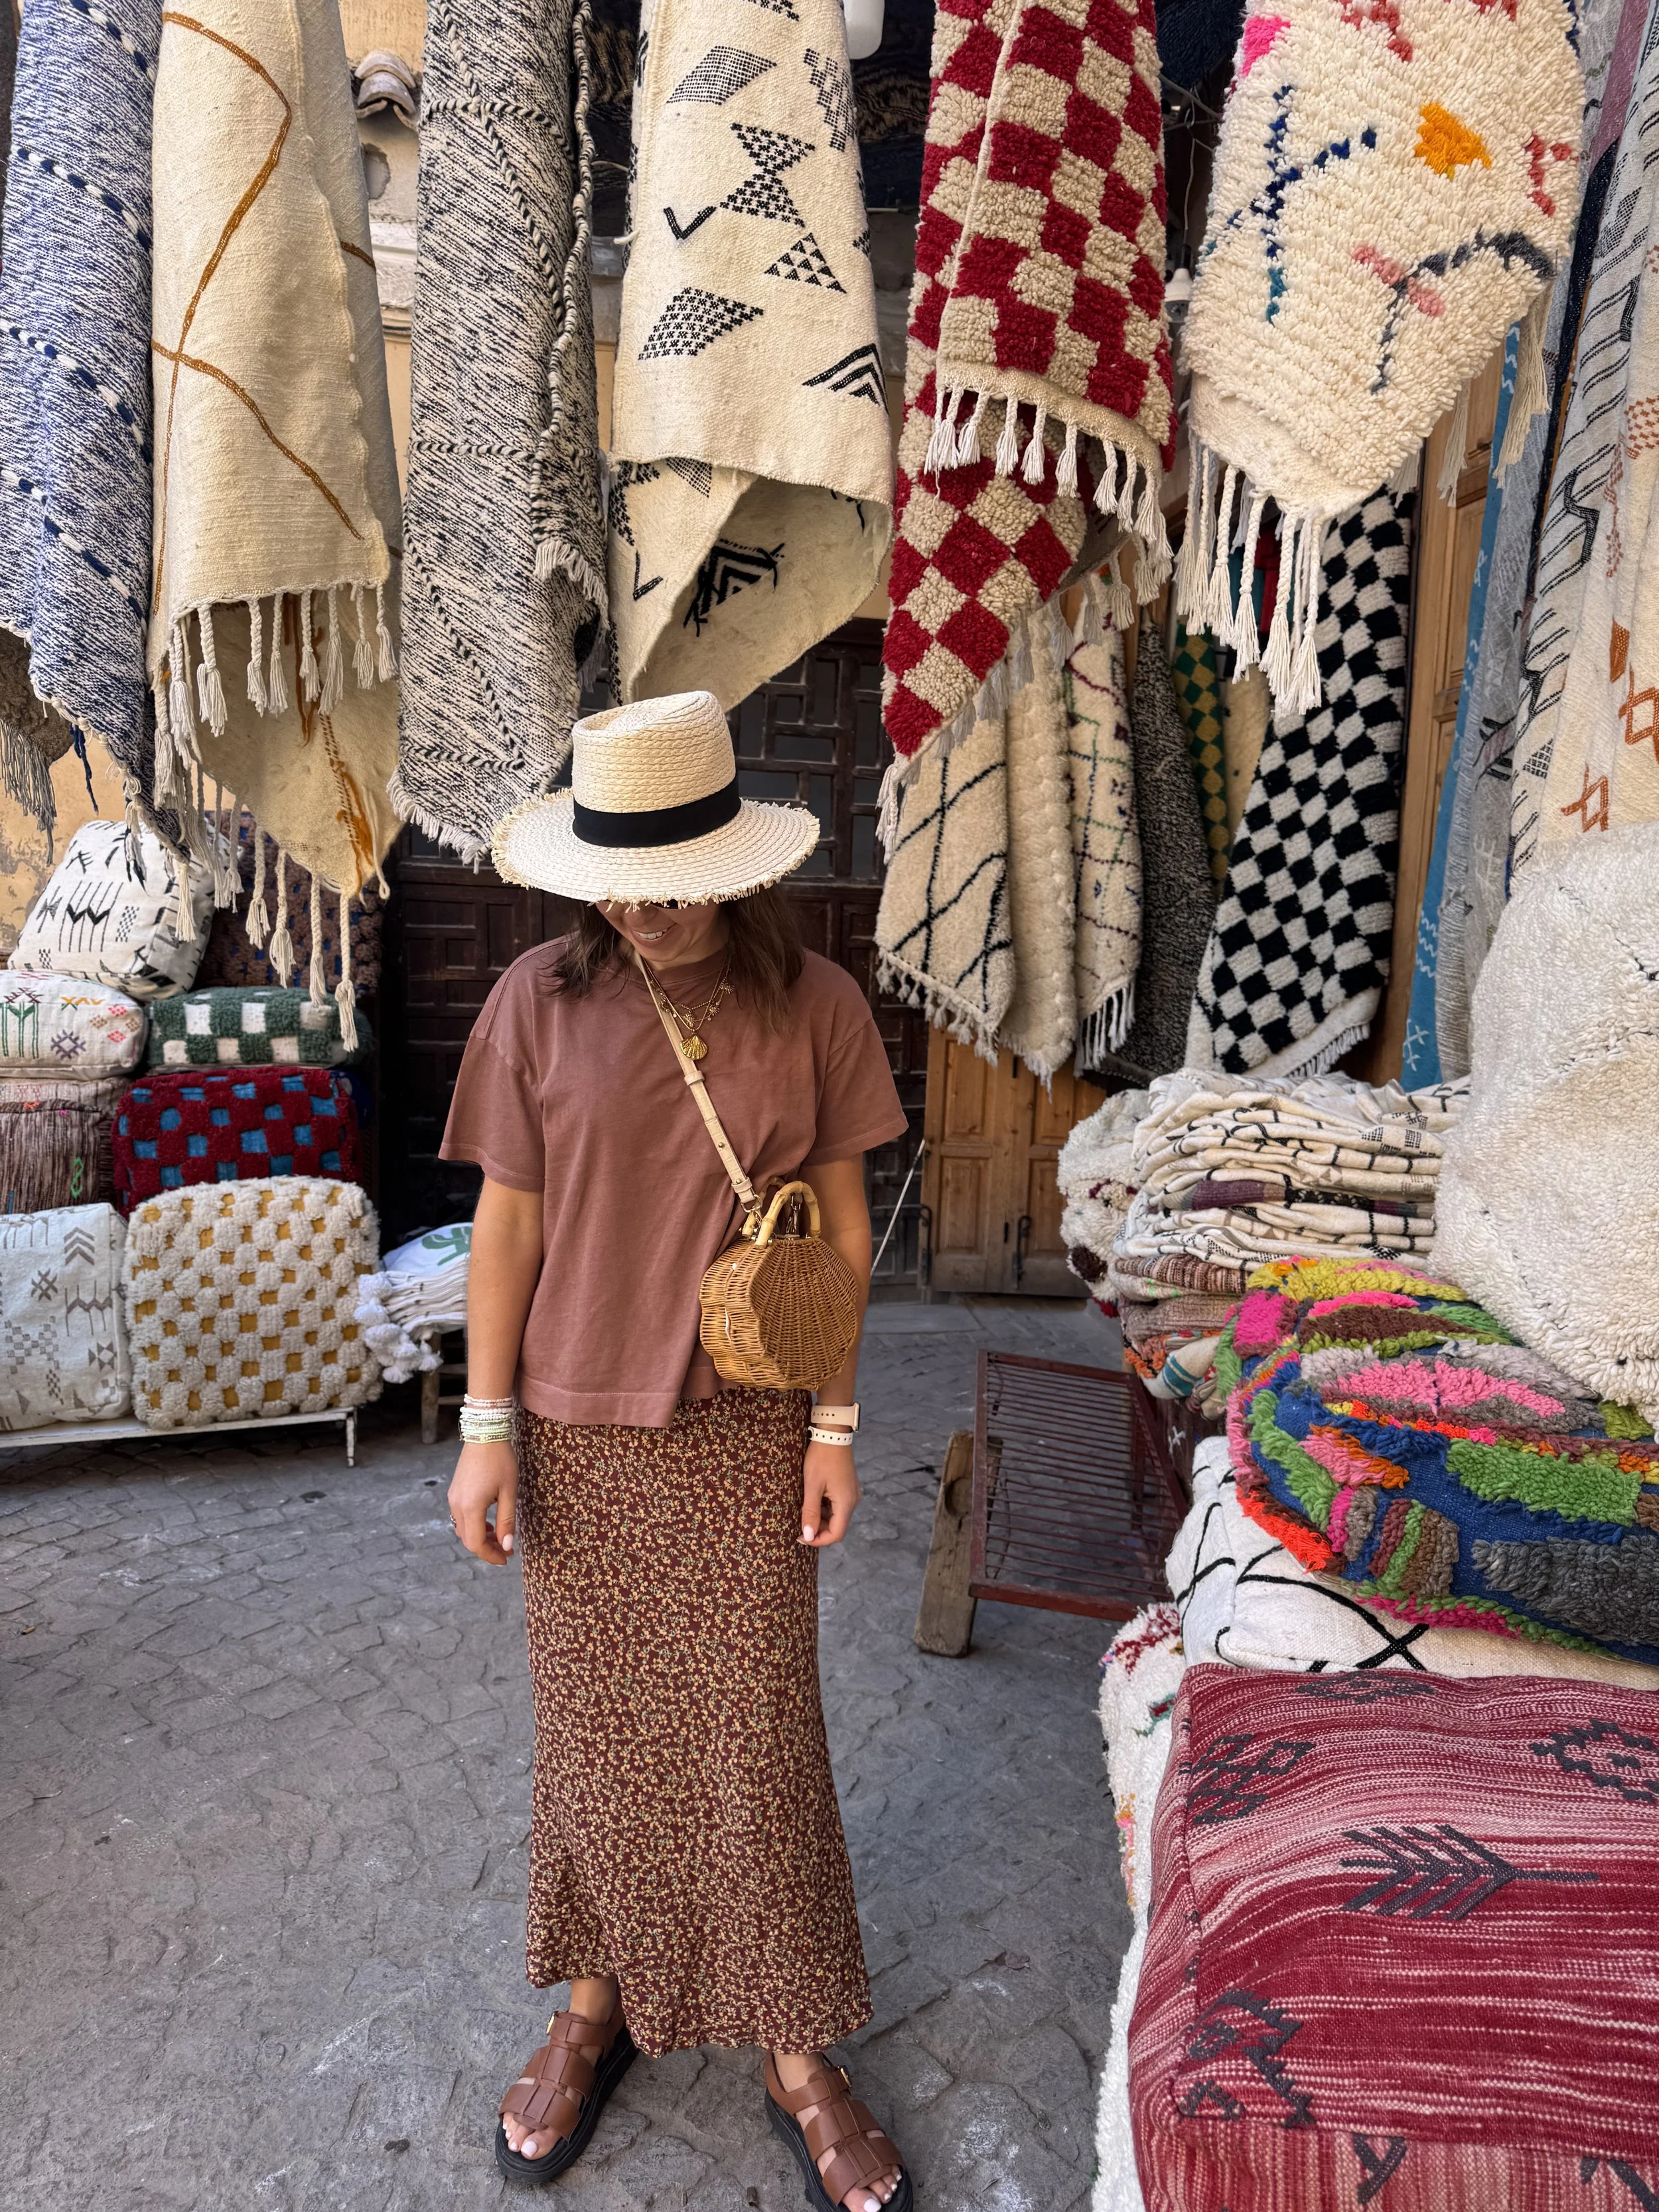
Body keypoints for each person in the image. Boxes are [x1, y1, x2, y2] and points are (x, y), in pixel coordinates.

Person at [442, 690, 914, 2211]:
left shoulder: (818, 1006)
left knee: (755, 1739)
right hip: (576, 1438)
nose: (645, 905)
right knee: (593, 1741)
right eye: (618, 873)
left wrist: (836, 1423)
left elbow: (842, 1233)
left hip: (747, 1432)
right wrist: (484, 1426)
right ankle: (592, 2009)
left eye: (674, 872)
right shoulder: (535, 998)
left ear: (736, 856)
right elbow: (504, 1224)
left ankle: (791, 2044)